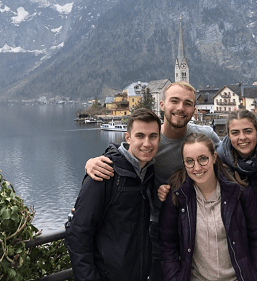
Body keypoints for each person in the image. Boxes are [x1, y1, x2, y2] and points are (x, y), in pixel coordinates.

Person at [84, 81, 221, 281]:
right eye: (175, 101)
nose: (181, 108)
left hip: (200, 226)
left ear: (194, 108)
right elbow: (123, 157)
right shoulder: (151, 142)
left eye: (187, 103)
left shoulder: (205, 136)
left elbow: (230, 162)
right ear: (163, 104)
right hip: (158, 231)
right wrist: (90, 163)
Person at [158, 133, 257, 281]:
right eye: (189, 161)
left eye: (203, 159)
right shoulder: (177, 198)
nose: (197, 167)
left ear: (214, 157)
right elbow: (167, 245)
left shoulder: (241, 194)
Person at [65, 108, 161, 281]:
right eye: (140, 135)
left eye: (153, 136)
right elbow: (78, 233)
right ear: (128, 137)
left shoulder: (148, 171)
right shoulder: (105, 172)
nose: (147, 143)